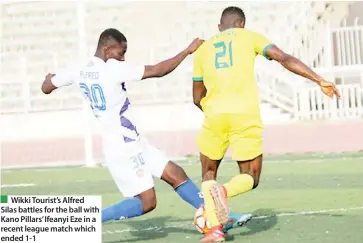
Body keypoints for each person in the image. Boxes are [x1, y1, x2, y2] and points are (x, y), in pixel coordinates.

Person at [41, 28, 249, 232]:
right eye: (121, 53)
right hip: (123, 146)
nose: (123, 59)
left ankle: (218, 216)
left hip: (132, 141)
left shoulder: (78, 69)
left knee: (175, 173)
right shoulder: (112, 68)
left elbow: (47, 86)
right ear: (107, 49)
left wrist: (50, 79)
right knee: (147, 201)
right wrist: (187, 51)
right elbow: (158, 71)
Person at [192, 6, 341, 242]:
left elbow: (196, 97)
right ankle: (225, 191)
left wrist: (213, 111)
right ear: (242, 24)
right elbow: (284, 58)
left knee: (208, 172)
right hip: (244, 114)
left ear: (219, 27)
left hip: (214, 116)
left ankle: (214, 230)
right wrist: (319, 79)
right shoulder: (249, 36)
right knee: (251, 176)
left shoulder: (203, 49)